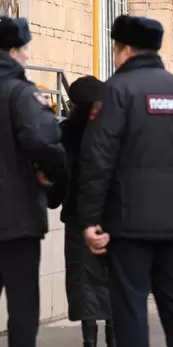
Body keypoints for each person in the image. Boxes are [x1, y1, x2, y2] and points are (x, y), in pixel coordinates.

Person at [78, 15, 173, 347]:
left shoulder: (117, 92)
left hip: (130, 224)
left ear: (123, 50)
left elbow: (97, 160)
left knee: (130, 307)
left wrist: (90, 219)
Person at [0, 16, 66, 347]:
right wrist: (51, 174)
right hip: (15, 220)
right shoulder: (21, 94)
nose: (27, 57)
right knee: (23, 304)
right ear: (14, 50)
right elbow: (44, 140)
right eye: (25, 50)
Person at [46, 76, 115, 347]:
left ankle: (89, 342)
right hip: (113, 220)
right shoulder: (115, 132)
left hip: (78, 221)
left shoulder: (68, 134)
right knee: (112, 281)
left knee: (84, 282)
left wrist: (52, 197)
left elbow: (59, 176)